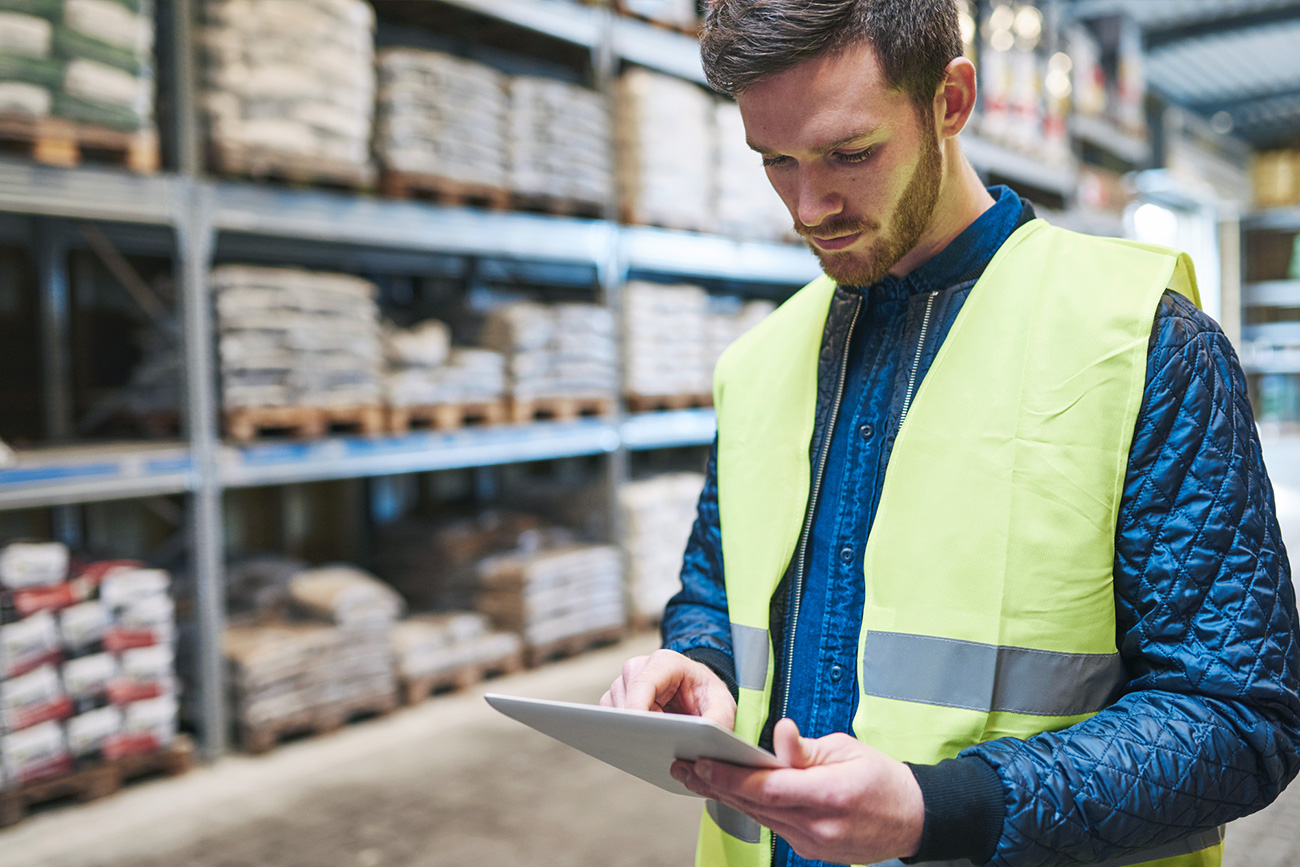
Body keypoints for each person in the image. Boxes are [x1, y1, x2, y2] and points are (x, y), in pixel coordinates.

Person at [600, 1, 1300, 866]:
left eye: (849, 154)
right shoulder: (759, 363)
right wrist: (697, 659)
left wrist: (944, 806)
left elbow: (1239, 718)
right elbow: (714, 590)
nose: (809, 206)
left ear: (951, 101)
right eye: (774, 160)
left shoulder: (1145, 343)